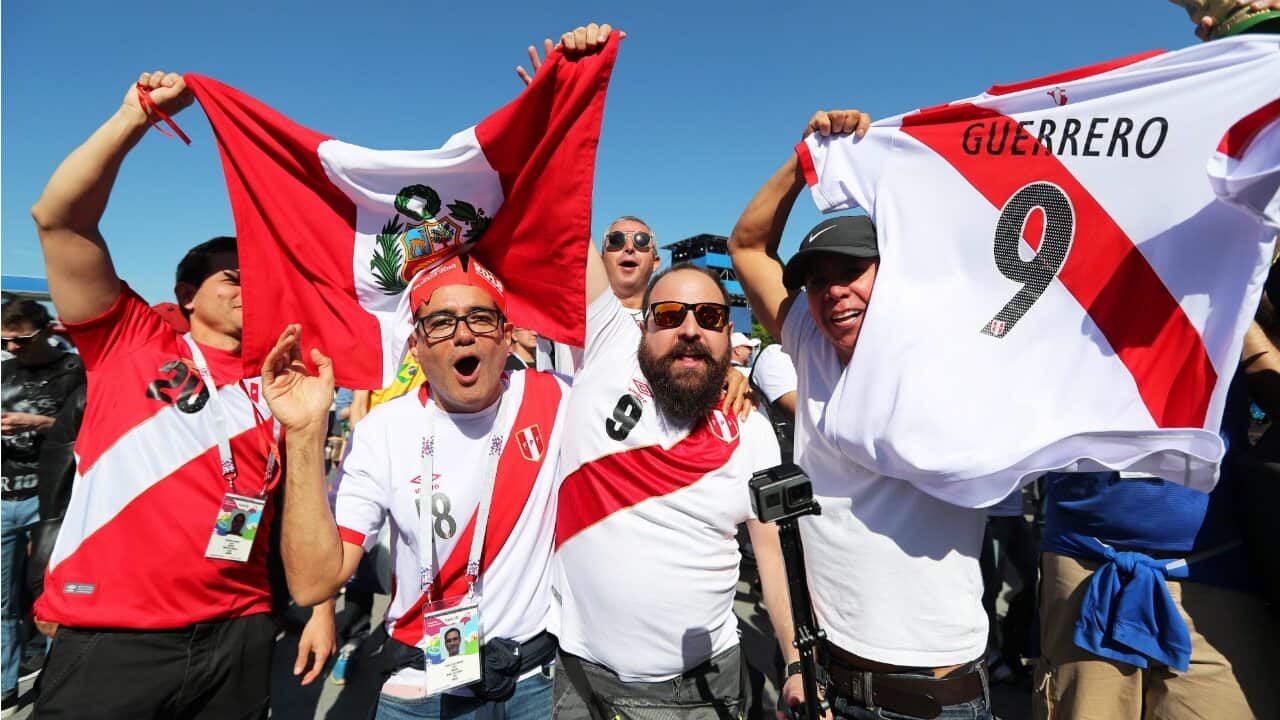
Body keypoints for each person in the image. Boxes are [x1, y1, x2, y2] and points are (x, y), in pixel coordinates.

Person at [28, 71, 334, 718]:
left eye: (261, 274)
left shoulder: (285, 381)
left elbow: (302, 509)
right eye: (232, 275)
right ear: (188, 292)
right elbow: (59, 221)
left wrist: (320, 609)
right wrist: (133, 119)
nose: (250, 285)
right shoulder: (130, 339)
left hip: (241, 629)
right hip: (115, 634)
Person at [730, 111, 992, 720]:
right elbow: (747, 245)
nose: (833, 291)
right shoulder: (810, 344)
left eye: (853, 272)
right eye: (817, 281)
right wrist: (807, 160)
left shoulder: (949, 349)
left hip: (929, 695)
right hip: (828, 681)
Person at [263, 254, 571, 720]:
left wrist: (726, 374)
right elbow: (311, 583)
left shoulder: (557, 398)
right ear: (416, 345)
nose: (463, 334)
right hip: (421, 688)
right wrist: (306, 435)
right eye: (441, 322)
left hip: (535, 682)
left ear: (507, 336)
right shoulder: (383, 430)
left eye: (481, 318)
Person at [550, 193, 795, 715]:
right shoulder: (607, 345)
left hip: (703, 690)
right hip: (581, 678)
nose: (689, 328)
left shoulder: (751, 427)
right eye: (668, 315)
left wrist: (795, 661)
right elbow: (563, 211)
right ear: (643, 326)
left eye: (708, 316)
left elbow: (772, 556)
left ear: (730, 333)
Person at [2, 299, 85, 714]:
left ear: (46, 330)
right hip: (4, 496)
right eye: (5, 342)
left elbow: (89, 427)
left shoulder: (75, 371)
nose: (13, 349)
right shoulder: (3, 370)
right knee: (2, 599)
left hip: (53, 496)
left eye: (22, 340)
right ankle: (5, 685)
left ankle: (57, 680)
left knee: (55, 594)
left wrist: (37, 424)